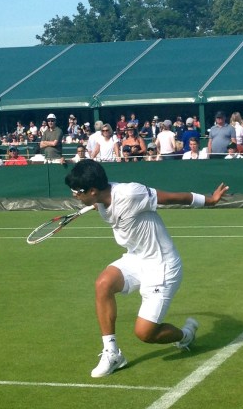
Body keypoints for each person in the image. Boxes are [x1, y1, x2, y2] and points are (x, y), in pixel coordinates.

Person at [64, 159, 229, 378]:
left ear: (92, 190)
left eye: (77, 191)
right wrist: (97, 204)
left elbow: (173, 198)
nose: (74, 195)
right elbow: (107, 206)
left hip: (163, 265)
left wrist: (210, 200)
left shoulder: (131, 193)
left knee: (145, 333)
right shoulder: (100, 199)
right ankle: (112, 353)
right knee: (103, 284)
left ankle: (185, 335)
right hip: (136, 258)